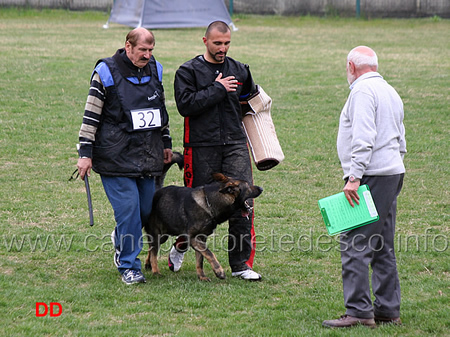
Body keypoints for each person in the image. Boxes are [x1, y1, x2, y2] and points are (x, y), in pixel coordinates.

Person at [76, 28, 173, 285]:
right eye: (143, 50)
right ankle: (129, 265)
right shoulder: (105, 72)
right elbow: (91, 114)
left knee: (144, 210)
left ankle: (122, 236)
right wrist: (85, 153)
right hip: (114, 156)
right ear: (128, 46)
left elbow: (160, 111)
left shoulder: (156, 69)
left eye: (151, 50)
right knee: (129, 210)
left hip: (147, 153)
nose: (147, 55)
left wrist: (166, 142)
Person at [170, 21, 261, 281]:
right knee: (196, 209)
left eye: (227, 43)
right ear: (205, 41)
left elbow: (250, 101)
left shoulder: (240, 70)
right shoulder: (188, 71)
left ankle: (241, 264)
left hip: (234, 145)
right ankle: (180, 246)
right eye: (217, 43)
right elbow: (185, 106)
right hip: (201, 147)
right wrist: (217, 89)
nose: (223, 48)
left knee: (244, 202)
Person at [322, 46, 406, 328]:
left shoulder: (360, 92)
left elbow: (363, 136)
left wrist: (354, 178)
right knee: (382, 245)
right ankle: (387, 310)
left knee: (355, 243)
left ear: (351, 66)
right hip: (392, 173)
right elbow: (401, 138)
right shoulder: (390, 91)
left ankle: (358, 311)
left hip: (371, 176)